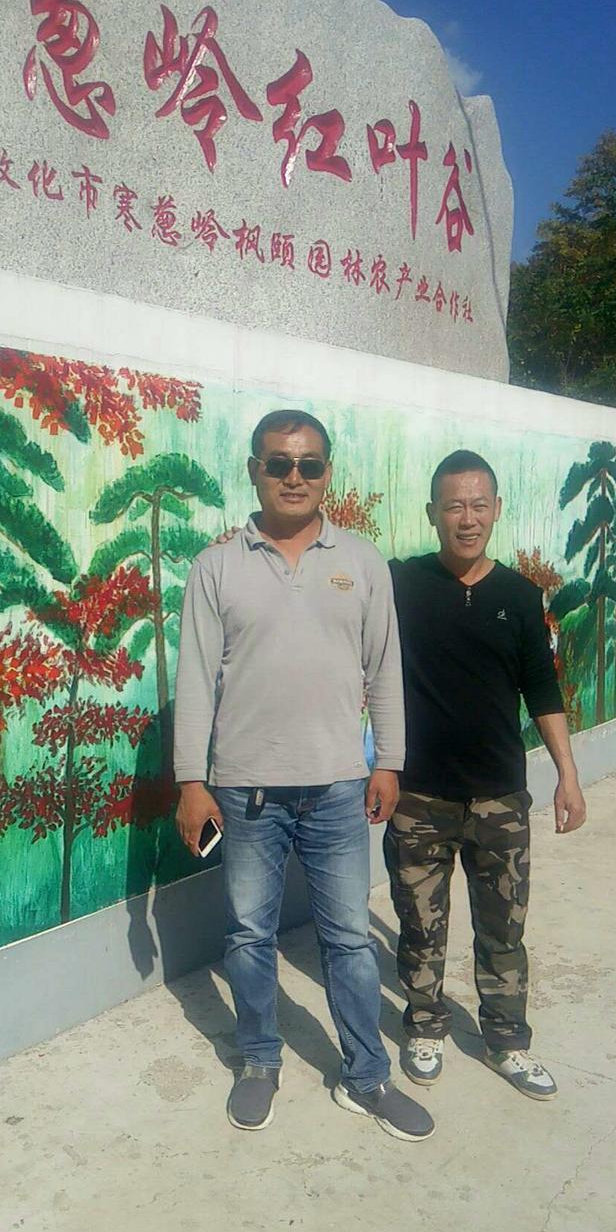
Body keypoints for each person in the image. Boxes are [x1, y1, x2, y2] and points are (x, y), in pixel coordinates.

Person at [173, 410, 433, 1141]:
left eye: (309, 464)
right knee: (248, 935)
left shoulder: (362, 562)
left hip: (338, 788)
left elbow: (385, 670)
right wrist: (192, 782)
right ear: (254, 470)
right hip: (245, 792)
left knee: (349, 938)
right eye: (279, 463)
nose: (295, 476)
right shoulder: (217, 567)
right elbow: (194, 680)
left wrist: (388, 762)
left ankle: (366, 1077)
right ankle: (259, 1060)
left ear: (327, 473)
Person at [384, 448, 587, 1099]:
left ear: (496, 509)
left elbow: (542, 689)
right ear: (433, 513)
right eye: (453, 506)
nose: (466, 518)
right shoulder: (402, 584)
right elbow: (328, 579)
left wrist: (568, 775)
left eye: (478, 505)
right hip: (419, 798)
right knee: (420, 927)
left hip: (500, 799)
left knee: (503, 932)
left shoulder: (520, 597)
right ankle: (424, 1025)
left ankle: (506, 1041)